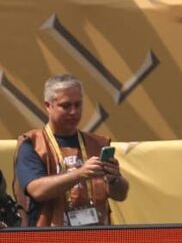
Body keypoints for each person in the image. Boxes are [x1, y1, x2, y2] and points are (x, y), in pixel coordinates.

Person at [13, 74, 129, 227]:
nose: (73, 111)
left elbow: (120, 195)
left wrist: (114, 179)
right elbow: (37, 190)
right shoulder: (32, 143)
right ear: (48, 106)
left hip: (96, 235)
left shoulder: (98, 143)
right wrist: (79, 174)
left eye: (78, 105)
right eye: (66, 106)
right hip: (49, 236)